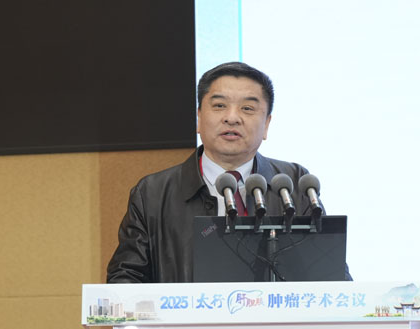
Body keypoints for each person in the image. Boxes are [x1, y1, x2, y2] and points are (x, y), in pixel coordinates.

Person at [106, 62, 342, 283]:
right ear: (199, 117)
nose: (232, 118)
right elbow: (126, 279)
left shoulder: (293, 185)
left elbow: (330, 275)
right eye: (219, 106)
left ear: (266, 124)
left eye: (247, 108)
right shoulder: (153, 194)